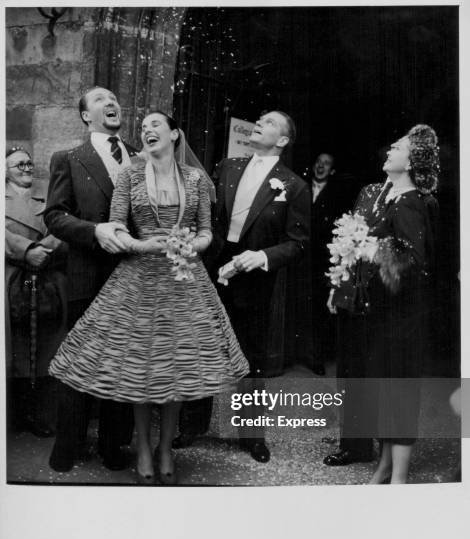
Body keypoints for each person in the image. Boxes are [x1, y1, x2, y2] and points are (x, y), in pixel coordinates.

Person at [48, 111, 249, 485]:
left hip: (184, 280)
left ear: (175, 133)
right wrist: (141, 245)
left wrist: (192, 245)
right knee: (139, 368)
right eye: (143, 128)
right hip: (138, 279)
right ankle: (143, 447)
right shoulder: (129, 175)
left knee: (177, 367)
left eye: (156, 125)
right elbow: (117, 225)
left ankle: (165, 447)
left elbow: (207, 231)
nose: (146, 130)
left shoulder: (194, 178)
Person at [174, 110, 311, 463]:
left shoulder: (294, 185)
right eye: (259, 120)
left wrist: (263, 256)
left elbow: (298, 241)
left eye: (268, 123)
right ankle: (192, 426)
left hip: (254, 274)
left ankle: (251, 436)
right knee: (202, 345)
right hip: (214, 263)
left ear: (282, 140)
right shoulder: (227, 167)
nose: (258, 124)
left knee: (251, 354)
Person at [324, 125, 439, 483]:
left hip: (401, 315)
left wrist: (374, 250)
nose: (391, 147)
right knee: (382, 384)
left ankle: (396, 476)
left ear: (412, 161)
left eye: (400, 146)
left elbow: (415, 261)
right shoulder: (384, 195)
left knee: (397, 388)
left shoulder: (412, 202)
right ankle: (385, 467)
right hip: (378, 309)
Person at [44, 86, 138, 472]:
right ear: (86, 116)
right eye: (100, 100)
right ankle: (68, 446)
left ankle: (114, 447)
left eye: (114, 99)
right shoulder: (68, 158)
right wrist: (94, 231)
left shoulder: (141, 155)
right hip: (87, 275)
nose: (111, 102)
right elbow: (55, 215)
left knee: (124, 363)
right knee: (82, 362)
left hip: (133, 278)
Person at [5, 147, 67, 437]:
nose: (27, 168)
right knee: (14, 347)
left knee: (48, 348)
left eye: (30, 163)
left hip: (48, 278)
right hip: (12, 279)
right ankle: (13, 418)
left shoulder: (49, 195)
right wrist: (26, 250)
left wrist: (45, 250)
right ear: (5, 171)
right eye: (19, 164)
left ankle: (45, 418)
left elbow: (65, 225)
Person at [308, 152, 360, 374]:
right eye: (318, 162)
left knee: (321, 309)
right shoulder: (299, 187)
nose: (321, 166)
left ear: (332, 170)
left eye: (326, 164)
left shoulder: (337, 195)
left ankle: (316, 357)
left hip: (322, 258)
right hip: (300, 256)